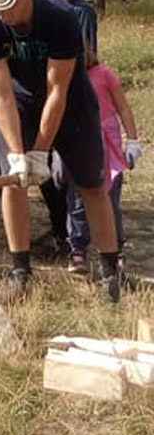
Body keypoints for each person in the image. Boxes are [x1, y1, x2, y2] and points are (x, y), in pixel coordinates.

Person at [0, 0, 122, 301]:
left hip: (72, 105)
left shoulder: (59, 16)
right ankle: (20, 273)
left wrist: (40, 152)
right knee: (13, 181)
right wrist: (18, 154)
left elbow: (58, 90)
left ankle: (109, 273)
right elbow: (2, 93)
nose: (2, 15)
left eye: (8, 6)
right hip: (20, 105)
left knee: (91, 185)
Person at [36, 0, 98, 256]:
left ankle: (75, 238)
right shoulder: (40, 6)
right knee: (43, 168)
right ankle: (60, 228)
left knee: (70, 173)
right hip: (42, 98)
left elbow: (87, 58)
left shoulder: (81, 11)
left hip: (70, 100)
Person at [64, 48, 142, 274]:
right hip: (78, 141)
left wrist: (132, 140)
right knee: (77, 198)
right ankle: (77, 248)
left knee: (109, 197)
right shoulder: (64, 77)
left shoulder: (105, 74)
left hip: (108, 144)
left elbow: (123, 107)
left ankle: (115, 249)